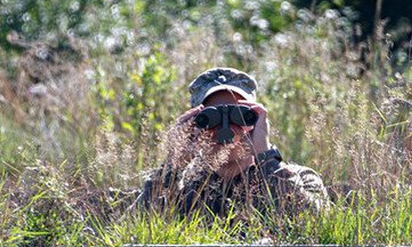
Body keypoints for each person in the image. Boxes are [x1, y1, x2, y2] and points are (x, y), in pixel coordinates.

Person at [131, 67, 328, 218]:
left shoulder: (299, 179)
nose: (226, 126)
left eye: (239, 115)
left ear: (255, 121)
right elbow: (132, 229)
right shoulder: (185, 188)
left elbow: (317, 223)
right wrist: (174, 166)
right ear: (194, 124)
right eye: (211, 117)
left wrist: (266, 159)